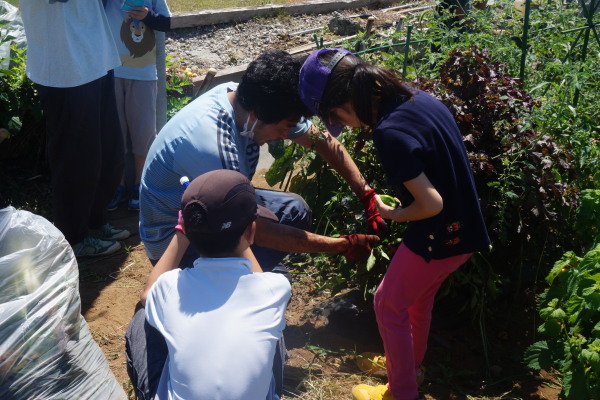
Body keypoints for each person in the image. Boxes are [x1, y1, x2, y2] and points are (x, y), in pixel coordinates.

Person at [299, 48, 491, 400]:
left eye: (336, 118)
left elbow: (431, 203)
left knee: (387, 304)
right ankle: (407, 366)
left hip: (437, 236)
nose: (345, 126)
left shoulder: (389, 132)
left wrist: (393, 213)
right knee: (417, 301)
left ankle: (401, 392)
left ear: (343, 104)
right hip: (464, 228)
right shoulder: (417, 97)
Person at [139, 49, 383, 273]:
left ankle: (248, 270)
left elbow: (322, 141)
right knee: (272, 282)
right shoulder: (212, 146)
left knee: (295, 210)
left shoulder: (247, 99)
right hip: (175, 242)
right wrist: (341, 246)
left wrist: (367, 195)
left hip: (210, 211)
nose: (286, 135)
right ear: (256, 115)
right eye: (284, 127)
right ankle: (215, 283)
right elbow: (257, 229)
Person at [126, 169, 290, 400]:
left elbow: (147, 295)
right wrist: (240, 234)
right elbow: (258, 279)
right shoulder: (275, 288)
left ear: (187, 230)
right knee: (273, 327)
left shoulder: (170, 287)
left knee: (142, 317)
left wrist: (183, 233)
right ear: (251, 231)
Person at [19, 0, 130, 257]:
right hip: (65, 67)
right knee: (76, 160)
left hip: (95, 55)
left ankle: (95, 222)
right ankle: (74, 236)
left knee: (110, 151)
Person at [104, 0, 172, 212]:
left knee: (143, 134)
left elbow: (166, 22)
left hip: (143, 74)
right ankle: (118, 185)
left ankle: (139, 185)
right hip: (109, 70)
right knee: (115, 133)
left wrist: (147, 15)